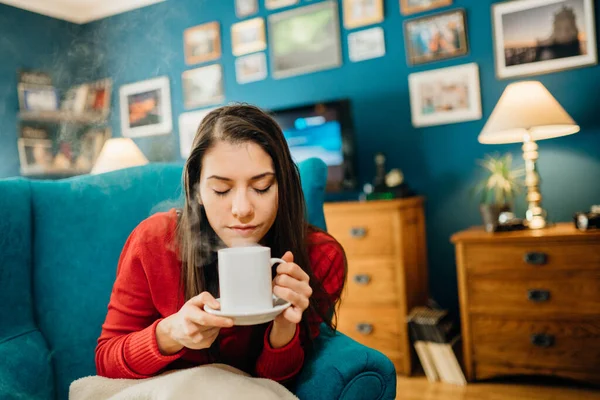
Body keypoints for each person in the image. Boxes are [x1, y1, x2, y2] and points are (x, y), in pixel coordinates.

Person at [95, 104, 347, 385]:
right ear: (198, 190)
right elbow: (107, 361)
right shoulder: (154, 240)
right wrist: (171, 333)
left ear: (282, 186)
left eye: (262, 187)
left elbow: (280, 383)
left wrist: (285, 324)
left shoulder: (320, 255)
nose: (242, 209)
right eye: (221, 190)